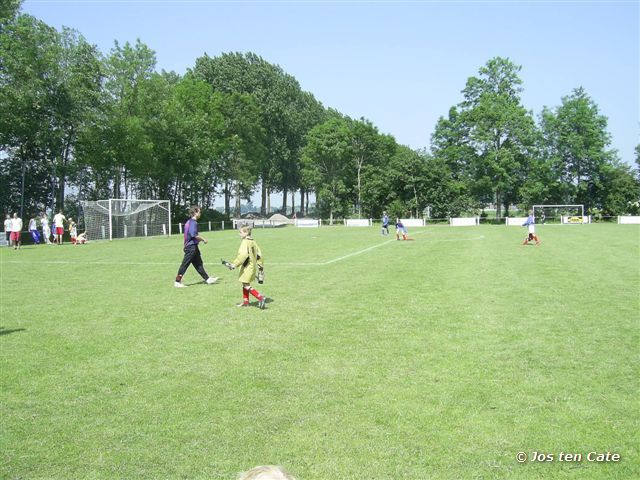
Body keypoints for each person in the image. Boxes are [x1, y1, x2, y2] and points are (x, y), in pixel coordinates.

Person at [174, 205, 218, 288]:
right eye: (199, 211)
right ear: (195, 212)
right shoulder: (193, 223)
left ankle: (208, 279)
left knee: (199, 264)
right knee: (185, 264)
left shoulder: (189, 222)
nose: (200, 213)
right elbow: (194, 235)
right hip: (191, 247)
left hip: (193, 246)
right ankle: (177, 281)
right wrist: (203, 239)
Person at [225, 225, 267, 309]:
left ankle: (260, 298)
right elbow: (259, 255)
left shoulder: (245, 242)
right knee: (245, 283)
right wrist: (260, 266)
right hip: (252, 266)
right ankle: (246, 302)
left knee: (246, 285)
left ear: (246, 233)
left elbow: (243, 255)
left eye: (240, 232)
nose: (239, 234)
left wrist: (234, 264)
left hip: (247, 267)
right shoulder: (253, 242)